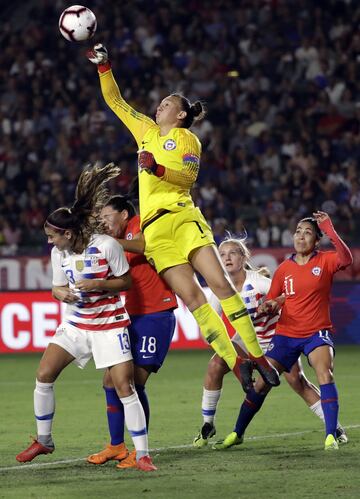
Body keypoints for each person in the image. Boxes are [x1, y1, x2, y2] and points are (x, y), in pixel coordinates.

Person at [87, 44, 280, 392]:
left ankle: (258, 356)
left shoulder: (187, 139)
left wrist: (157, 167)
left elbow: (187, 179)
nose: (159, 105)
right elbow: (116, 102)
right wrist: (104, 67)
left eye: (167, 103)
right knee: (194, 302)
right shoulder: (145, 132)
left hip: (182, 219)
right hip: (155, 232)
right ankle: (238, 365)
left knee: (220, 286)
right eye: (160, 102)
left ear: (179, 115)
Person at [16, 163, 156, 471]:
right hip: (76, 325)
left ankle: (143, 453)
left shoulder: (105, 246)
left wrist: (98, 284)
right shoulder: (59, 254)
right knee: (43, 375)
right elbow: (56, 287)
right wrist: (59, 293)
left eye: (53, 237)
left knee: (124, 387)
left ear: (68, 233)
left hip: (109, 326)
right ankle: (44, 440)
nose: (50, 243)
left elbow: (126, 282)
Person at [213, 212, 353, 451]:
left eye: (308, 232)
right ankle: (237, 433)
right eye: (298, 231)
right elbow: (273, 300)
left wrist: (329, 228)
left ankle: (331, 435)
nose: (301, 236)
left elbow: (347, 259)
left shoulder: (325, 261)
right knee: (262, 385)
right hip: (286, 335)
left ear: (316, 241)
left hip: (316, 332)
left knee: (324, 373)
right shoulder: (284, 269)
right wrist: (269, 306)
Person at [87, 192, 178, 468]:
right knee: (110, 381)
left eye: (106, 216)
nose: (103, 222)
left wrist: (109, 240)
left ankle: (140, 451)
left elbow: (145, 244)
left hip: (156, 314)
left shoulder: (140, 224)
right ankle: (116, 446)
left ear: (124, 214)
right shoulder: (118, 243)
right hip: (132, 315)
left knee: (134, 384)